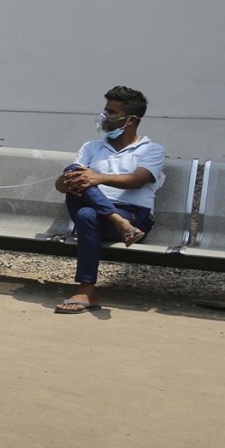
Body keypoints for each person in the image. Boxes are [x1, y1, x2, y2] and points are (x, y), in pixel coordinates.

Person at [53, 86, 165, 314]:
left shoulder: (151, 150)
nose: (104, 117)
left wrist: (98, 178)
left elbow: (137, 180)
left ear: (131, 120)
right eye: (105, 110)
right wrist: (64, 182)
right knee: (73, 170)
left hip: (134, 216)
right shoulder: (92, 147)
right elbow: (65, 184)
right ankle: (117, 222)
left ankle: (86, 291)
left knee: (86, 214)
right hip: (120, 224)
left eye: (111, 112)